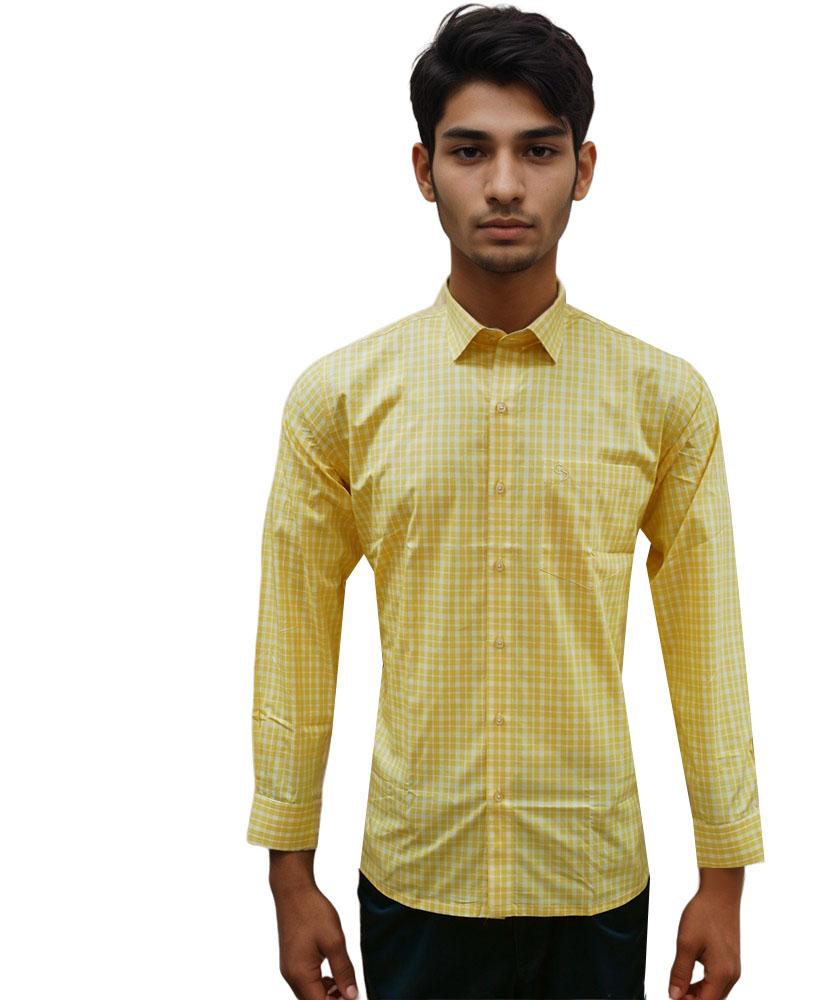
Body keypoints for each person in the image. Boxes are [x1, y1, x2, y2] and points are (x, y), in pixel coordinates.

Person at [246, 4, 765, 998]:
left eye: (537, 150)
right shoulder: (339, 399)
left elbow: (707, 643)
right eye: (469, 150)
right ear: (422, 169)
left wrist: (724, 875)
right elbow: (295, 640)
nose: (503, 185)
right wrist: (289, 875)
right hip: (415, 876)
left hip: (592, 879)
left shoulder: (663, 398)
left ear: (583, 168)